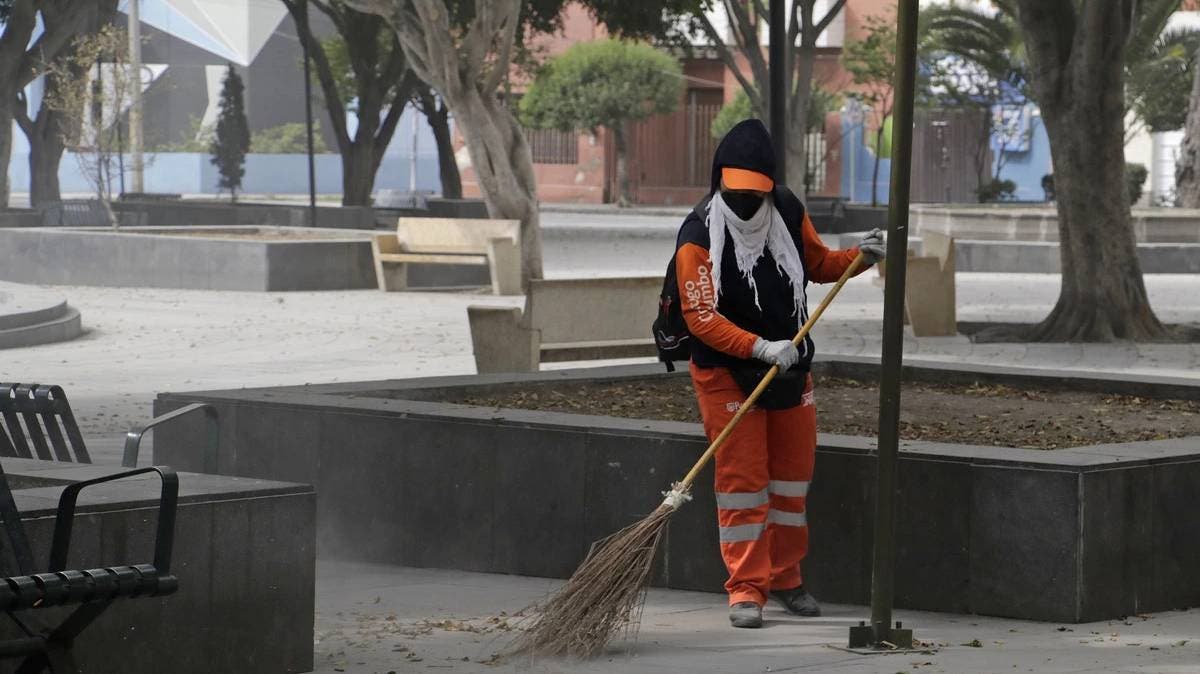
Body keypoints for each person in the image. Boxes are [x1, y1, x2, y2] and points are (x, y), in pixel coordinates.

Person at [674, 118, 885, 629]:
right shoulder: (697, 233)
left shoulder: (787, 210)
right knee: (743, 484)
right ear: (719, 180)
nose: (747, 200)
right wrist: (758, 347)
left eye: (757, 191)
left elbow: (818, 264)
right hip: (726, 374)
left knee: (790, 484)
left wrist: (859, 257)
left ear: (771, 185)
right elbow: (699, 317)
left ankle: (787, 579)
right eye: (737, 190)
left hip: (790, 368)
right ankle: (746, 589)